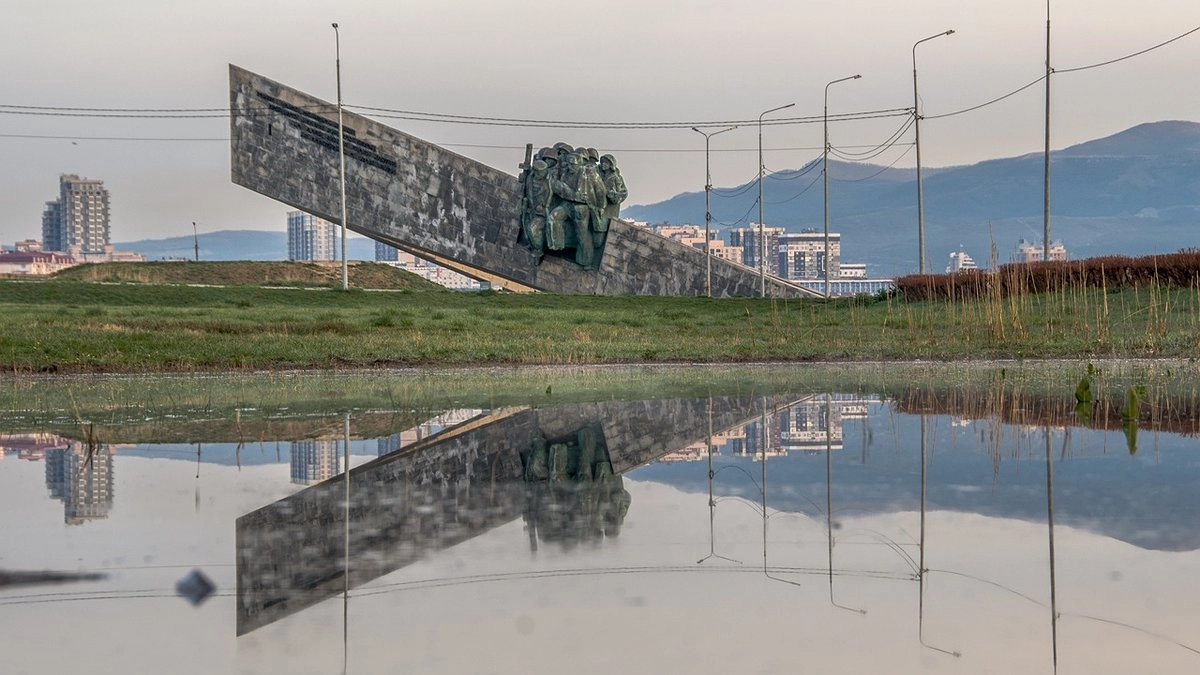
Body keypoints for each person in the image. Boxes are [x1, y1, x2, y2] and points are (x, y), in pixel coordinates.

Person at [596, 154, 627, 250]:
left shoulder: (616, 178)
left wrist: (613, 195)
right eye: (602, 162)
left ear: (611, 164)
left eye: (606, 163)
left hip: (610, 209)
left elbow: (623, 193)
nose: (603, 165)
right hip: (598, 207)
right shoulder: (599, 175)